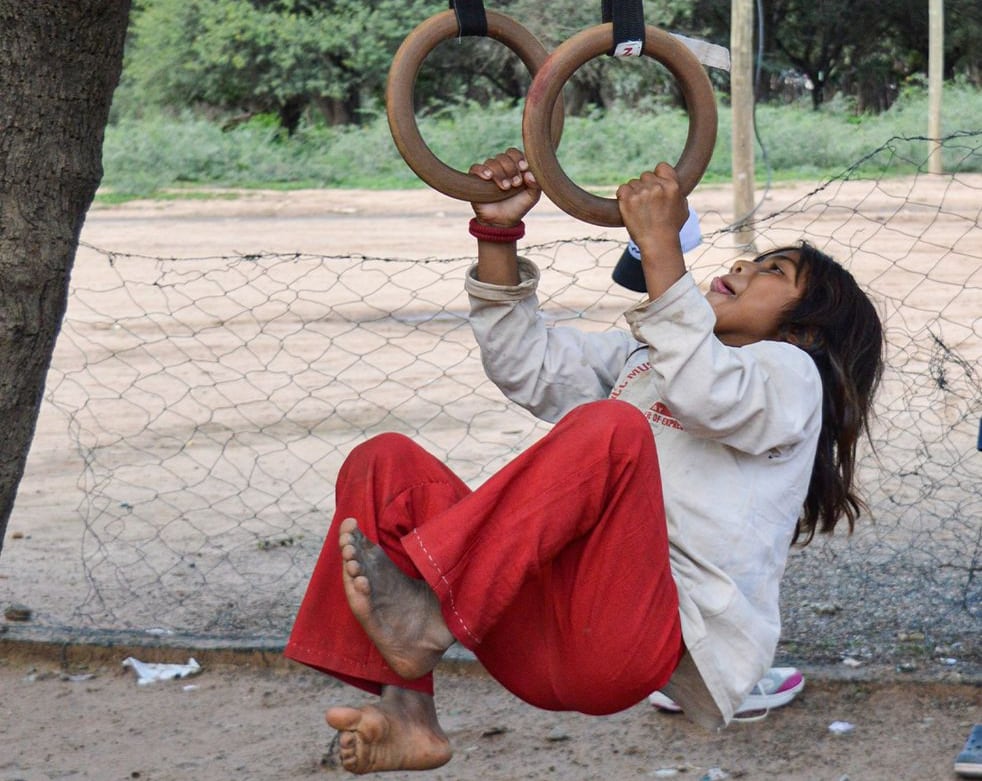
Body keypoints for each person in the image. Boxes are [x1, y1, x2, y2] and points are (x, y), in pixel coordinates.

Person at [284, 148, 884, 774]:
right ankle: (407, 710)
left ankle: (433, 615)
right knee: (383, 464)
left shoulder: (791, 377)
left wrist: (660, 246)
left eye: (772, 271)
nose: (741, 263)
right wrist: (497, 232)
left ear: (805, 332)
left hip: (628, 644)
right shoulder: (648, 358)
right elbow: (527, 364)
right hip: (533, 636)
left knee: (610, 429)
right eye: (750, 257)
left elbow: (708, 391)